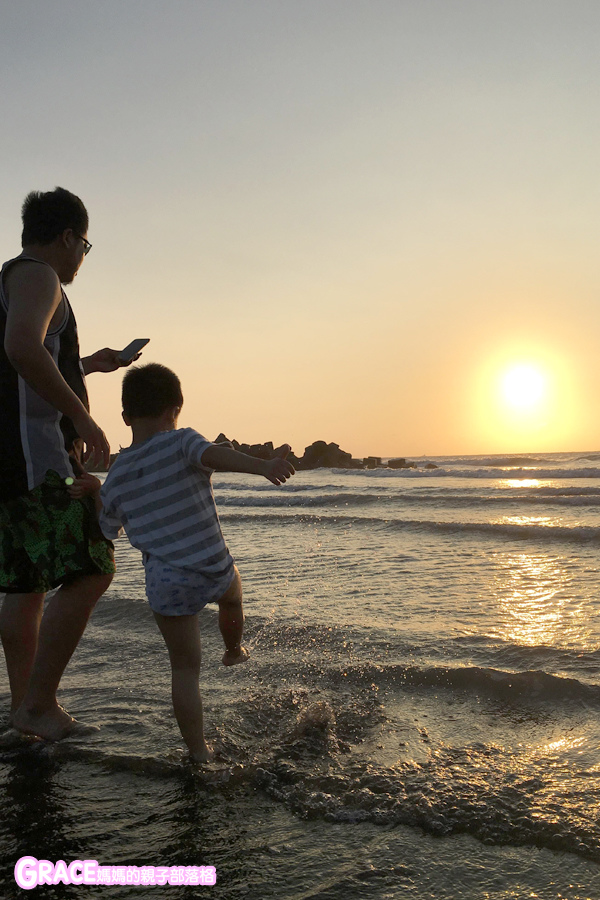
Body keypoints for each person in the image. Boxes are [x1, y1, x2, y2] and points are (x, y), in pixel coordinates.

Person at [69, 363, 295, 762]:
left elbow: (108, 528)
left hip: (166, 582)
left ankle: (199, 753)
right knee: (233, 594)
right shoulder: (182, 441)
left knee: (185, 671)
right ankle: (233, 649)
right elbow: (216, 455)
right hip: (212, 565)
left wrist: (97, 493)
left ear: (125, 418)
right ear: (177, 408)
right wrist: (261, 466)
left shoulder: (118, 472)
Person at [0, 187, 141, 741]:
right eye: (85, 244)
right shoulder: (41, 276)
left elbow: (18, 362)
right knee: (93, 567)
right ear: (67, 237)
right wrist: (83, 417)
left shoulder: (10, 276)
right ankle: (37, 705)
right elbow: (20, 348)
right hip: (39, 460)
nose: (83, 256)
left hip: (9, 459)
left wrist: (86, 365)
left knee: (26, 583)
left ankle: (25, 713)